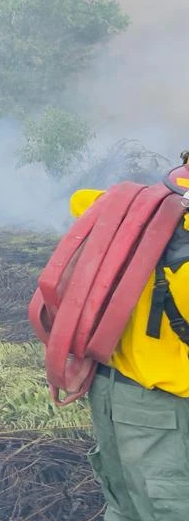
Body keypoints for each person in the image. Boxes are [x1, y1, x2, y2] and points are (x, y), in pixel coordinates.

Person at [72, 158, 189, 521]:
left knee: (124, 508)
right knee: (168, 509)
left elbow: (80, 200)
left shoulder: (137, 214)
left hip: (110, 392)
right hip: (158, 407)